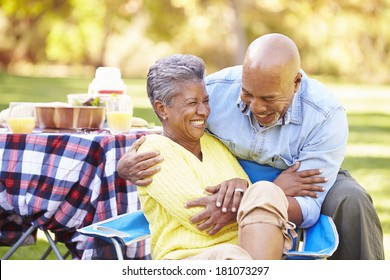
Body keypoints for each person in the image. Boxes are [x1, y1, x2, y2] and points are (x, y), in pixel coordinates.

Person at [118, 34, 384, 260]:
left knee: (351, 199)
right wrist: (125, 163)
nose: (256, 107)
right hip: (242, 185)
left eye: (269, 98)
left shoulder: (326, 115)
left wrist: (258, 197)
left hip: (288, 185)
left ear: (296, 83)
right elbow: (175, 127)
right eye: (247, 94)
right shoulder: (214, 92)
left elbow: (309, 203)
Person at [135, 53, 295, 260]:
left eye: (206, 101)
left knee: (266, 190)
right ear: (162, 108)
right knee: (229, 254)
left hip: (247, 255)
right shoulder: (152, 152)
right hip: (187, 259)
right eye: (192, 103)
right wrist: (243, 196)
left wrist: (241, 187)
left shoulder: (214, 143)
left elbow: (248, 201)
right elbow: (201, 219)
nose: (203, 111)